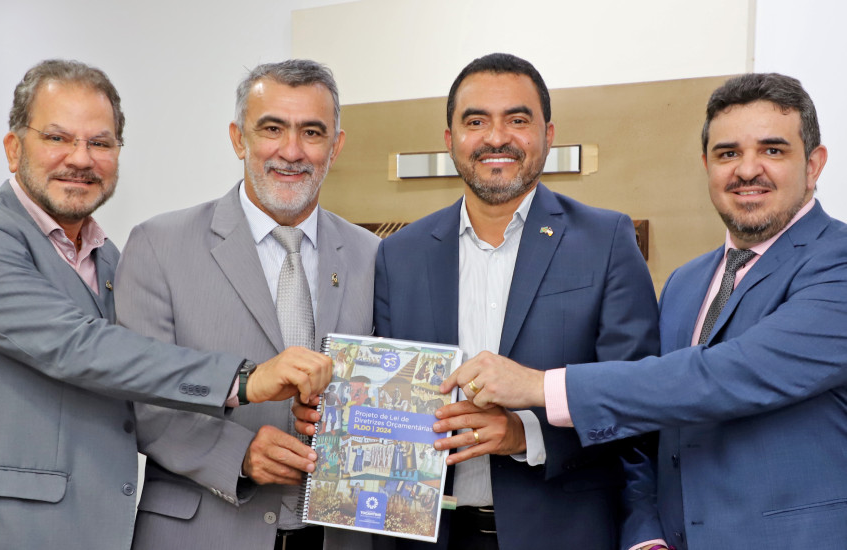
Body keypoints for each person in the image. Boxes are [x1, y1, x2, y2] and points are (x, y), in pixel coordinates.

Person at [442, 73, 847, 549]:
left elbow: (726, 376)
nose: (747, 169)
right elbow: (648, 428)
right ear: (706, 165)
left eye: (772, 150)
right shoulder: (685, 283)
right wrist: (645, 533)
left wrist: (538, 385)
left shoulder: (836, 263)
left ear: (814, 164)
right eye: (727, 153)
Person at [0, 59, 331, 550]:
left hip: (100, 527)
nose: (81, 158)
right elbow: (78, 346)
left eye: (101, 143)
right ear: (13, 148)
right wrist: (245, 380)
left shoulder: (107, 257)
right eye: (57, 138)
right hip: (14, 530)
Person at [374, 53, 661, 550]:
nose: (496, 137)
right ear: (450, 140)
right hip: (429, 537)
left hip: (562, 534)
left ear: (547, 134)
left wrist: (526, 435)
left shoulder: (607, 241)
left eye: (517, 120)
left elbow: (636, 401)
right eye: (475, 121)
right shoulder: (399, 255)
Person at [115, 60, 380, 550]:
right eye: (272, 129)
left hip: (337, 536)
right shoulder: (158, 245)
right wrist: (235, 454)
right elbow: (139, 398)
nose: (292, 151)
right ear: (239, 138)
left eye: (312, 132)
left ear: (336, 146)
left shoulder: (373, 255)